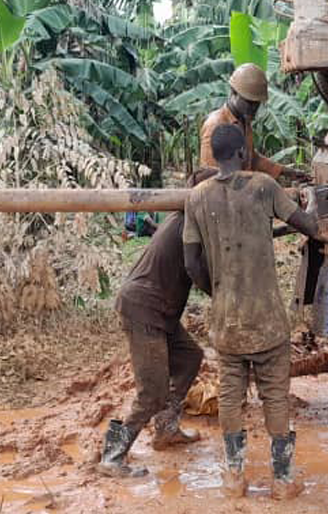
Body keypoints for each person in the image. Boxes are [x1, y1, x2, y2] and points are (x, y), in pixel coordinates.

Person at [183, 124, 319, 500]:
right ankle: (283, 479)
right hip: (268, 322)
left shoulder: (196, 198)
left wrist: (219, 291)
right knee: (275, 397)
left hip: (227, 322)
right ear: (242, 153)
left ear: (214, 156)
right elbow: (308, 225)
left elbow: (192, 263)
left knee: (230, 396)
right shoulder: (263, 186)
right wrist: (313, 202)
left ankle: (234, 477)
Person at [97, 171, 216, 478]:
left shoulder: (184, 218)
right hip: (145, 308)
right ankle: (112, 455)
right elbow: (195, 268)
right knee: (152, 391)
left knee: (190, 357)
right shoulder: (188, 224)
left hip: (160, 311)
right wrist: (221, 295)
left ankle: (166, 428)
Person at [200, 63, 308, 181]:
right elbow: (213, 176)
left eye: (257, 103)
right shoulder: (216, 125)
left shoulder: (243, 121)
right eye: (249, 102)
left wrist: (285, 171)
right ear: (233, 93)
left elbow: (252, 158)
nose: (254, 108)